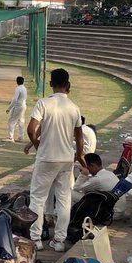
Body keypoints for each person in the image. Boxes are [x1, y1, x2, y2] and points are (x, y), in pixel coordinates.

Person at [24, 68, 85, 252]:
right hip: (66, 159)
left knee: (38, 198)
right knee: (64, 200)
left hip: (46, 158)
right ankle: (59, 240)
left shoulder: (43, 103)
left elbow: (31, 128)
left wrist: (36, 144)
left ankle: (36, 239)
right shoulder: (74, 108)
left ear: (50, 83)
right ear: (68, 85)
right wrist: (80, 155)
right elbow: (79, 137)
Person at [6, 75, 28, 143]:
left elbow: (15, 99)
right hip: (23, 105)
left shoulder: (18, 89)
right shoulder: (24, 88)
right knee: (21, 121)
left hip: (18, 106)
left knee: (11, 121)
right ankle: (21, 137)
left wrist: (9, 108)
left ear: (17, 82)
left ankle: (10, 137)